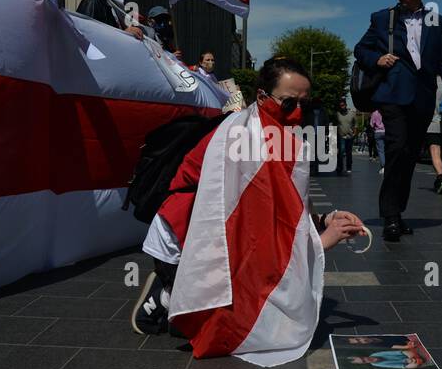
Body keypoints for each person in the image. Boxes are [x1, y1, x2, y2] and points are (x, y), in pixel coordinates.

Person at [131, 57, 366, 336]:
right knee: (226, 327)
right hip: (186, 243)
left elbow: (287, 207)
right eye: (289, 103)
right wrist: (322, 242)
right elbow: (261, 239)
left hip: (210, 240)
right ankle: (166, 295)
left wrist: (325, 219)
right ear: (262, 96)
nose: (298, 113)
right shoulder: (243, 140)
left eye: (307, 104)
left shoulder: (274, 134)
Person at [353, 0, 442, 241]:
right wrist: (377, 59)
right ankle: (389, 216)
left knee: (410, 156)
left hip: (423, 98)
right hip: (393, 95)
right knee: (397, 148)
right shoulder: (382, 19)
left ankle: (397, 212)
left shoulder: (437, 21)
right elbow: (361, 49)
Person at [424, 82, 442, 195]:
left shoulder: (430, 83)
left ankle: (440, 178)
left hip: (432, 122)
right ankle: (441, 179)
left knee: (435, 152)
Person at [335, 99, 357, 175]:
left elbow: (355, 123)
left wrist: (355, 132)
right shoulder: (337, 114)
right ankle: (340, 167)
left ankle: (349, 167)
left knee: (349, 153)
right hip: (341, 136)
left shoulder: (352, 113)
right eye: (340, 106)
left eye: (343, 105)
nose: (342, 107)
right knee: (341, 152)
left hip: (350, 136)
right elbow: (336, 124)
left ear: (346, 105)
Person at [370, 109, 387, 173]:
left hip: (378, 132)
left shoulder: (374, 113)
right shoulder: (385, 112)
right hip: (386, 132)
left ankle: (383, 166)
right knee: (387, 149)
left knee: (381, 151)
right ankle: (388, 165)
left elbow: (371, 124)